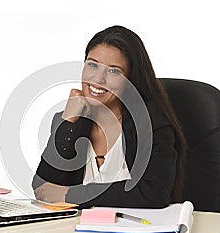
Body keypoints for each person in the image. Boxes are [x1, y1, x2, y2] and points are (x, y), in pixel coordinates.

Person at [32, 25, 186, 209]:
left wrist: (70, 194)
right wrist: (68, 122)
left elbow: (153, 193)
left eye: (113, 71)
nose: (98, 79)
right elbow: (43, 188)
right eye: (92, 64)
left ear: (131, 79)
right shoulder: (70, 120)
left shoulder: (151, 123)